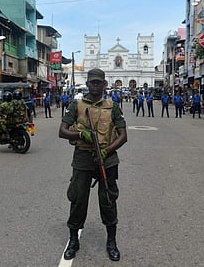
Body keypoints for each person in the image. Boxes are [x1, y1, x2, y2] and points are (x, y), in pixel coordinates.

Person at [59, 68, 127, 262]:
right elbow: (62, 131)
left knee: (108, 199)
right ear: (87, 84)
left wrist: (107, 150)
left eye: (99, 82)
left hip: (108, 158)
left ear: (105, 84)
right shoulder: (77, 105)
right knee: (78, 199)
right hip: (83, 157)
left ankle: (111, 242)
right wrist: (81, 134)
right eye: (92, 82)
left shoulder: (112, 106)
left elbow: (123, 136)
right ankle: (73, 240)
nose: (96, 86)